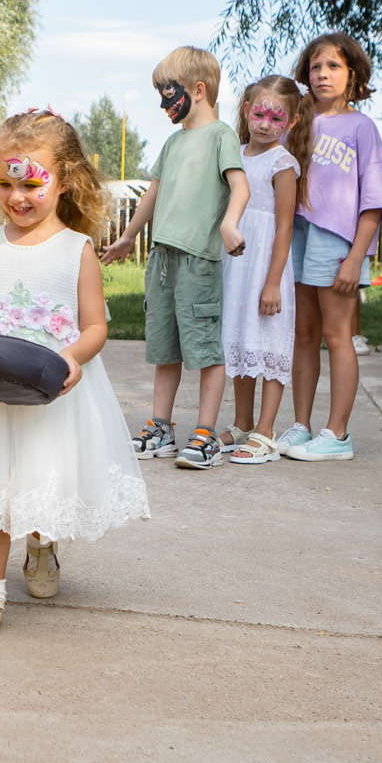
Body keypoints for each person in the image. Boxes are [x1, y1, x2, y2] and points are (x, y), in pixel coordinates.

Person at [0, 110, 150, 643]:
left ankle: (41, 541)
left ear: (64, 180)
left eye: (31, 183)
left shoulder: (76, 250)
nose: (17, 196)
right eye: (5, 183)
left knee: (41, 479)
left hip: (49, 391)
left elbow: (95, 327)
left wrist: (72, 358)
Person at [102, 47, 250, 470]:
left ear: (197, 90)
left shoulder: (221, 136)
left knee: (205, 350)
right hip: (161, 259)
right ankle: (161, 428)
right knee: (164, 348)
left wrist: (229, 224)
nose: (163, 103)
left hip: (198, 262)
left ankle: (205, 435)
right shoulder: (172, 142)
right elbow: (154, 192)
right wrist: (129, 236)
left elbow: (240, 187)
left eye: (168, 94)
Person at [276, 33, 382, 462]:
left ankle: (338, 434)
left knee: (337, 335)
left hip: (337, 243)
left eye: (333, 66)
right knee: (304, 334)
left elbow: (375, 200)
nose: (322, 74)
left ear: (354, 75)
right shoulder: (296, 123)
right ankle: (301, 425)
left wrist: (355, 257)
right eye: (315, 66)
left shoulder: (361, 127)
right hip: (297, 236)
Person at [220, 76, 311, 464]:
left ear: (290, 123)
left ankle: (266, 429)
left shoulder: (282, 163)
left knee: (268, 340)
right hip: (237, 263)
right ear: (246, 110)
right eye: (259, 113)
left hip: (266, 266)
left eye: (276, 118)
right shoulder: (234, 153)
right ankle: (242, 421)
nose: (264, 123)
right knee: (242, 339)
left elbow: (285, 225)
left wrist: (273, 282)